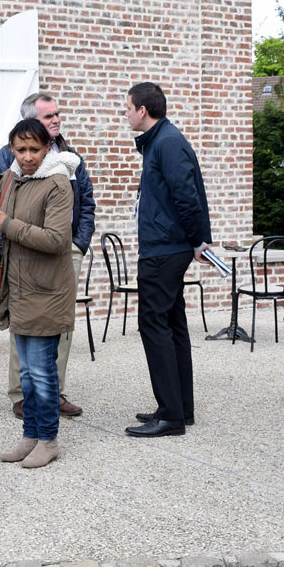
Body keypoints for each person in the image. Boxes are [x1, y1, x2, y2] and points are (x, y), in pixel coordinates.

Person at [0, 91, 95, 419]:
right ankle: (21, 394)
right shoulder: (11, 156)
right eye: (48, 117)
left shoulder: (70, 156)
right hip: (22, 252)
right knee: (24, 322)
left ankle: (54, 392)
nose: (56, 120)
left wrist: (79, 243)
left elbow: (86, 200)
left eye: (57, 114)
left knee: (60, 325)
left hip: (63, 251)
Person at [0, 117, 78, 468]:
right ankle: (30, 436)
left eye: (34, 149)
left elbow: (56, 240)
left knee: (41, 371)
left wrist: (6, 224)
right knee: (25, 374)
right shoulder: (10, 177)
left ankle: (48, 440)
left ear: (47, 148)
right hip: (17, 287)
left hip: (47, 289)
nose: (27, 156)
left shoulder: (58, 183)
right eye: (20, 149)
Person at [122, 82, 212, 438]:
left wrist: (197, 241)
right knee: (172, 326)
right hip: (167, 246)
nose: (125, 113)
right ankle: (177, 407)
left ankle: (172, 416)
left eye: (128, 107)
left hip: (164, 249)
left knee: (153, 325)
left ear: (143, 109)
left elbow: (187, 196)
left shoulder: (167, 142)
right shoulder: (161, 141)